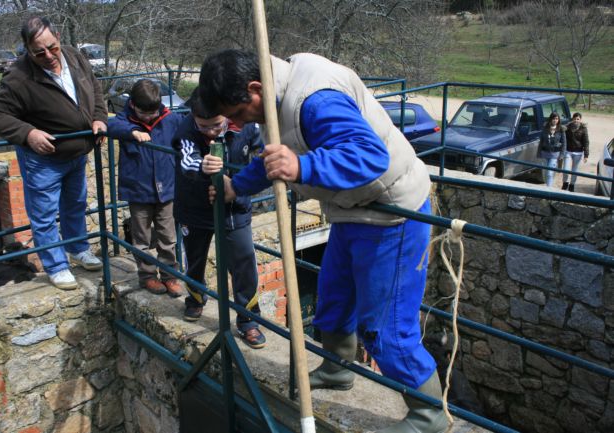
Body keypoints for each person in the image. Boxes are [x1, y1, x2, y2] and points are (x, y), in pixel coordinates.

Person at [198, 49, 447, 433]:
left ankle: (428, 414)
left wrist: (302, 167)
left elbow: (369, 156)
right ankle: (338, 369)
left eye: (236, 114)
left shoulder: (315, 100)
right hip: (351, 208)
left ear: (254, 88)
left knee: (386, 326)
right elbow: (275, 158)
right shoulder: (273, 97)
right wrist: (236, 187)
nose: (234, 123)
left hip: (392, 212)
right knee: (332, 299)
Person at [0, 16, 107, 290]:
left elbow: (95, 90)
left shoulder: (74, 57)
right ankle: (56, 265)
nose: (49, 56)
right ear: (27, 49)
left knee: (75, 204)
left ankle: (78, 248)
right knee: (44, 215)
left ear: (59, 37)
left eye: (52, 47)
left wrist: (100, 118)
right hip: (43, 160)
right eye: (39, 52)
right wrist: (28, 133)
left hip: (78, 151)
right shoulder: (18, 77)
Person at [174, 87, 266, 349]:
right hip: (195, 207)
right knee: (195, 258)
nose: (210, 132)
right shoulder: (186, 129)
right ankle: (194, 298)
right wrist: (203, 167)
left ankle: (248, 320)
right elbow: (186, 161)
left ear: (225, 115)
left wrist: (239, 185)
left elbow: (260, 156)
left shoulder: (247, 127)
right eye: (203, 126)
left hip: (234, 207)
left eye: (215, 125)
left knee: (244, 263)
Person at [107, 79, 184, 296]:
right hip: (138, 190)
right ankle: (147, 276)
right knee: (141, 238)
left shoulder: (171, 119)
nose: (148, 118)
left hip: (166, 189)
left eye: (152, 112)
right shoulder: (125, 118)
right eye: (143, 113)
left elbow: (188, 131)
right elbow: (109, 125)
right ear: (132, 105)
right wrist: (132, 131)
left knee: (168, 238)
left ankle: (169, 275)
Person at [537, 112, 566, 188]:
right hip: (544, 153)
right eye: (553, 118)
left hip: (555, 154)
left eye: (556, 119)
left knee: (550, 173)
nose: (555, 120)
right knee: (546, 173)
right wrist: (539, 153)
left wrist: (562, 155)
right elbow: (541, 141)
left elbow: (564, 143)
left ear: (558, 120)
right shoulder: (545, 128)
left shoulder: (561, 129)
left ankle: (548, 190)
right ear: (550, 119)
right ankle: (548, 186)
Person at [562, 112, 589, 192]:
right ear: (572, 119)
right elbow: (562, 138)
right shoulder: (567, 127)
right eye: (574, 119)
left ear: (580, 120)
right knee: (566, 169)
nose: (576, 120)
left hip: (578, 152)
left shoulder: (583, 128)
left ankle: (572, 185)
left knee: (574, 170)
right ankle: (565, 183)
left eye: (578, 119)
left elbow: (586, 142)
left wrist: (586, 155)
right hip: (568, 151)